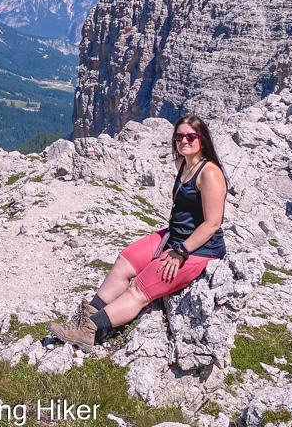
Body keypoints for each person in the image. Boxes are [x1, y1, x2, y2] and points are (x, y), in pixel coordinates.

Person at [49, 116, 229, 352]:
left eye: (190, 137)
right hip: (174, 236)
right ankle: (87, 315)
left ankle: (89, 330)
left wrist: (180, 252)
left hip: (199, 249)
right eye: (179, 136)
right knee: (126, 259)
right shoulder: (183, 165)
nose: (184, 141)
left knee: (140, 288)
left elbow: (212, 223)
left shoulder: (210, 173)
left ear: (202, 139)